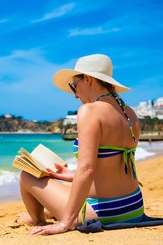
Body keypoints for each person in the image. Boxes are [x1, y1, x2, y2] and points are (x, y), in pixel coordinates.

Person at [19, 54, 144, 235]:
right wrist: (71, 176)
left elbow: (87, 169)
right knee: (65, 183)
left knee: (26, 175)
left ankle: (39, 220)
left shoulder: (90, 111)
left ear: (88, 79)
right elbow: (111, 167)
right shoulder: (129, 113)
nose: (75, 95)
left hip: (106, 212)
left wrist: (64, 224)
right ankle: (46, 213)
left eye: (74, 86)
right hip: (133, 206)